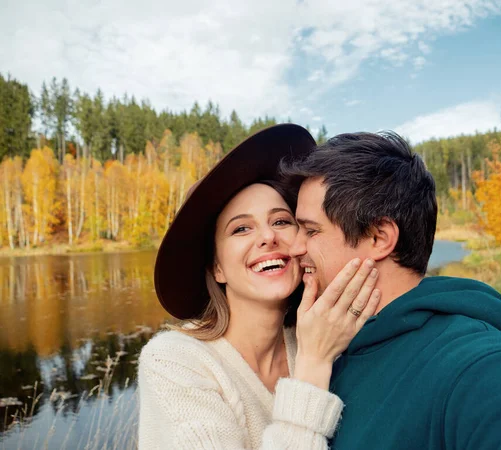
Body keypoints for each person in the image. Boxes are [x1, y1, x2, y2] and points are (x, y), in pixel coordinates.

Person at [280, 130, 501, 449]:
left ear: (379, 237)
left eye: (311, 230)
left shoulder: (481, 367)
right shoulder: (331, 348)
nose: (294, 247)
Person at [137, 124, 381, 450]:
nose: (268, 237)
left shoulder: (321, 332)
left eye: (281, 221)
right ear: (217, 267)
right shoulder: (174, 361)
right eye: (241, 229)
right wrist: (314, 365)